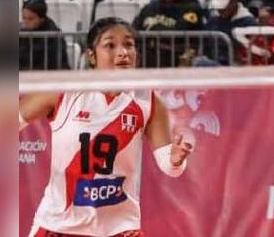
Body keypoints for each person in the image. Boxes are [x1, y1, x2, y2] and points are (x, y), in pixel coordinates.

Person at [20, 18, 195, 236]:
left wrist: (176, 158)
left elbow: (168, 165)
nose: (123, 53)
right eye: (110, 45)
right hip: (61, 226)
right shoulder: (64, 91)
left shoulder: (147, 99)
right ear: (91, 56)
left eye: (129, 44)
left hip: (119, 229)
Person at [132, 0, 207, 67]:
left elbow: (191, 39)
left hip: (176, 62)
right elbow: (134, 30)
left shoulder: (191, 8)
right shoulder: (149, 8)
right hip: (146, 61)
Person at [19, 0, 70, 71]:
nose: (26, 22)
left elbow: (52, 63)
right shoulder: (22, 33)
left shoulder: (53, 36)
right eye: (24, 18)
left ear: (41, 18)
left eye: (31, 19)